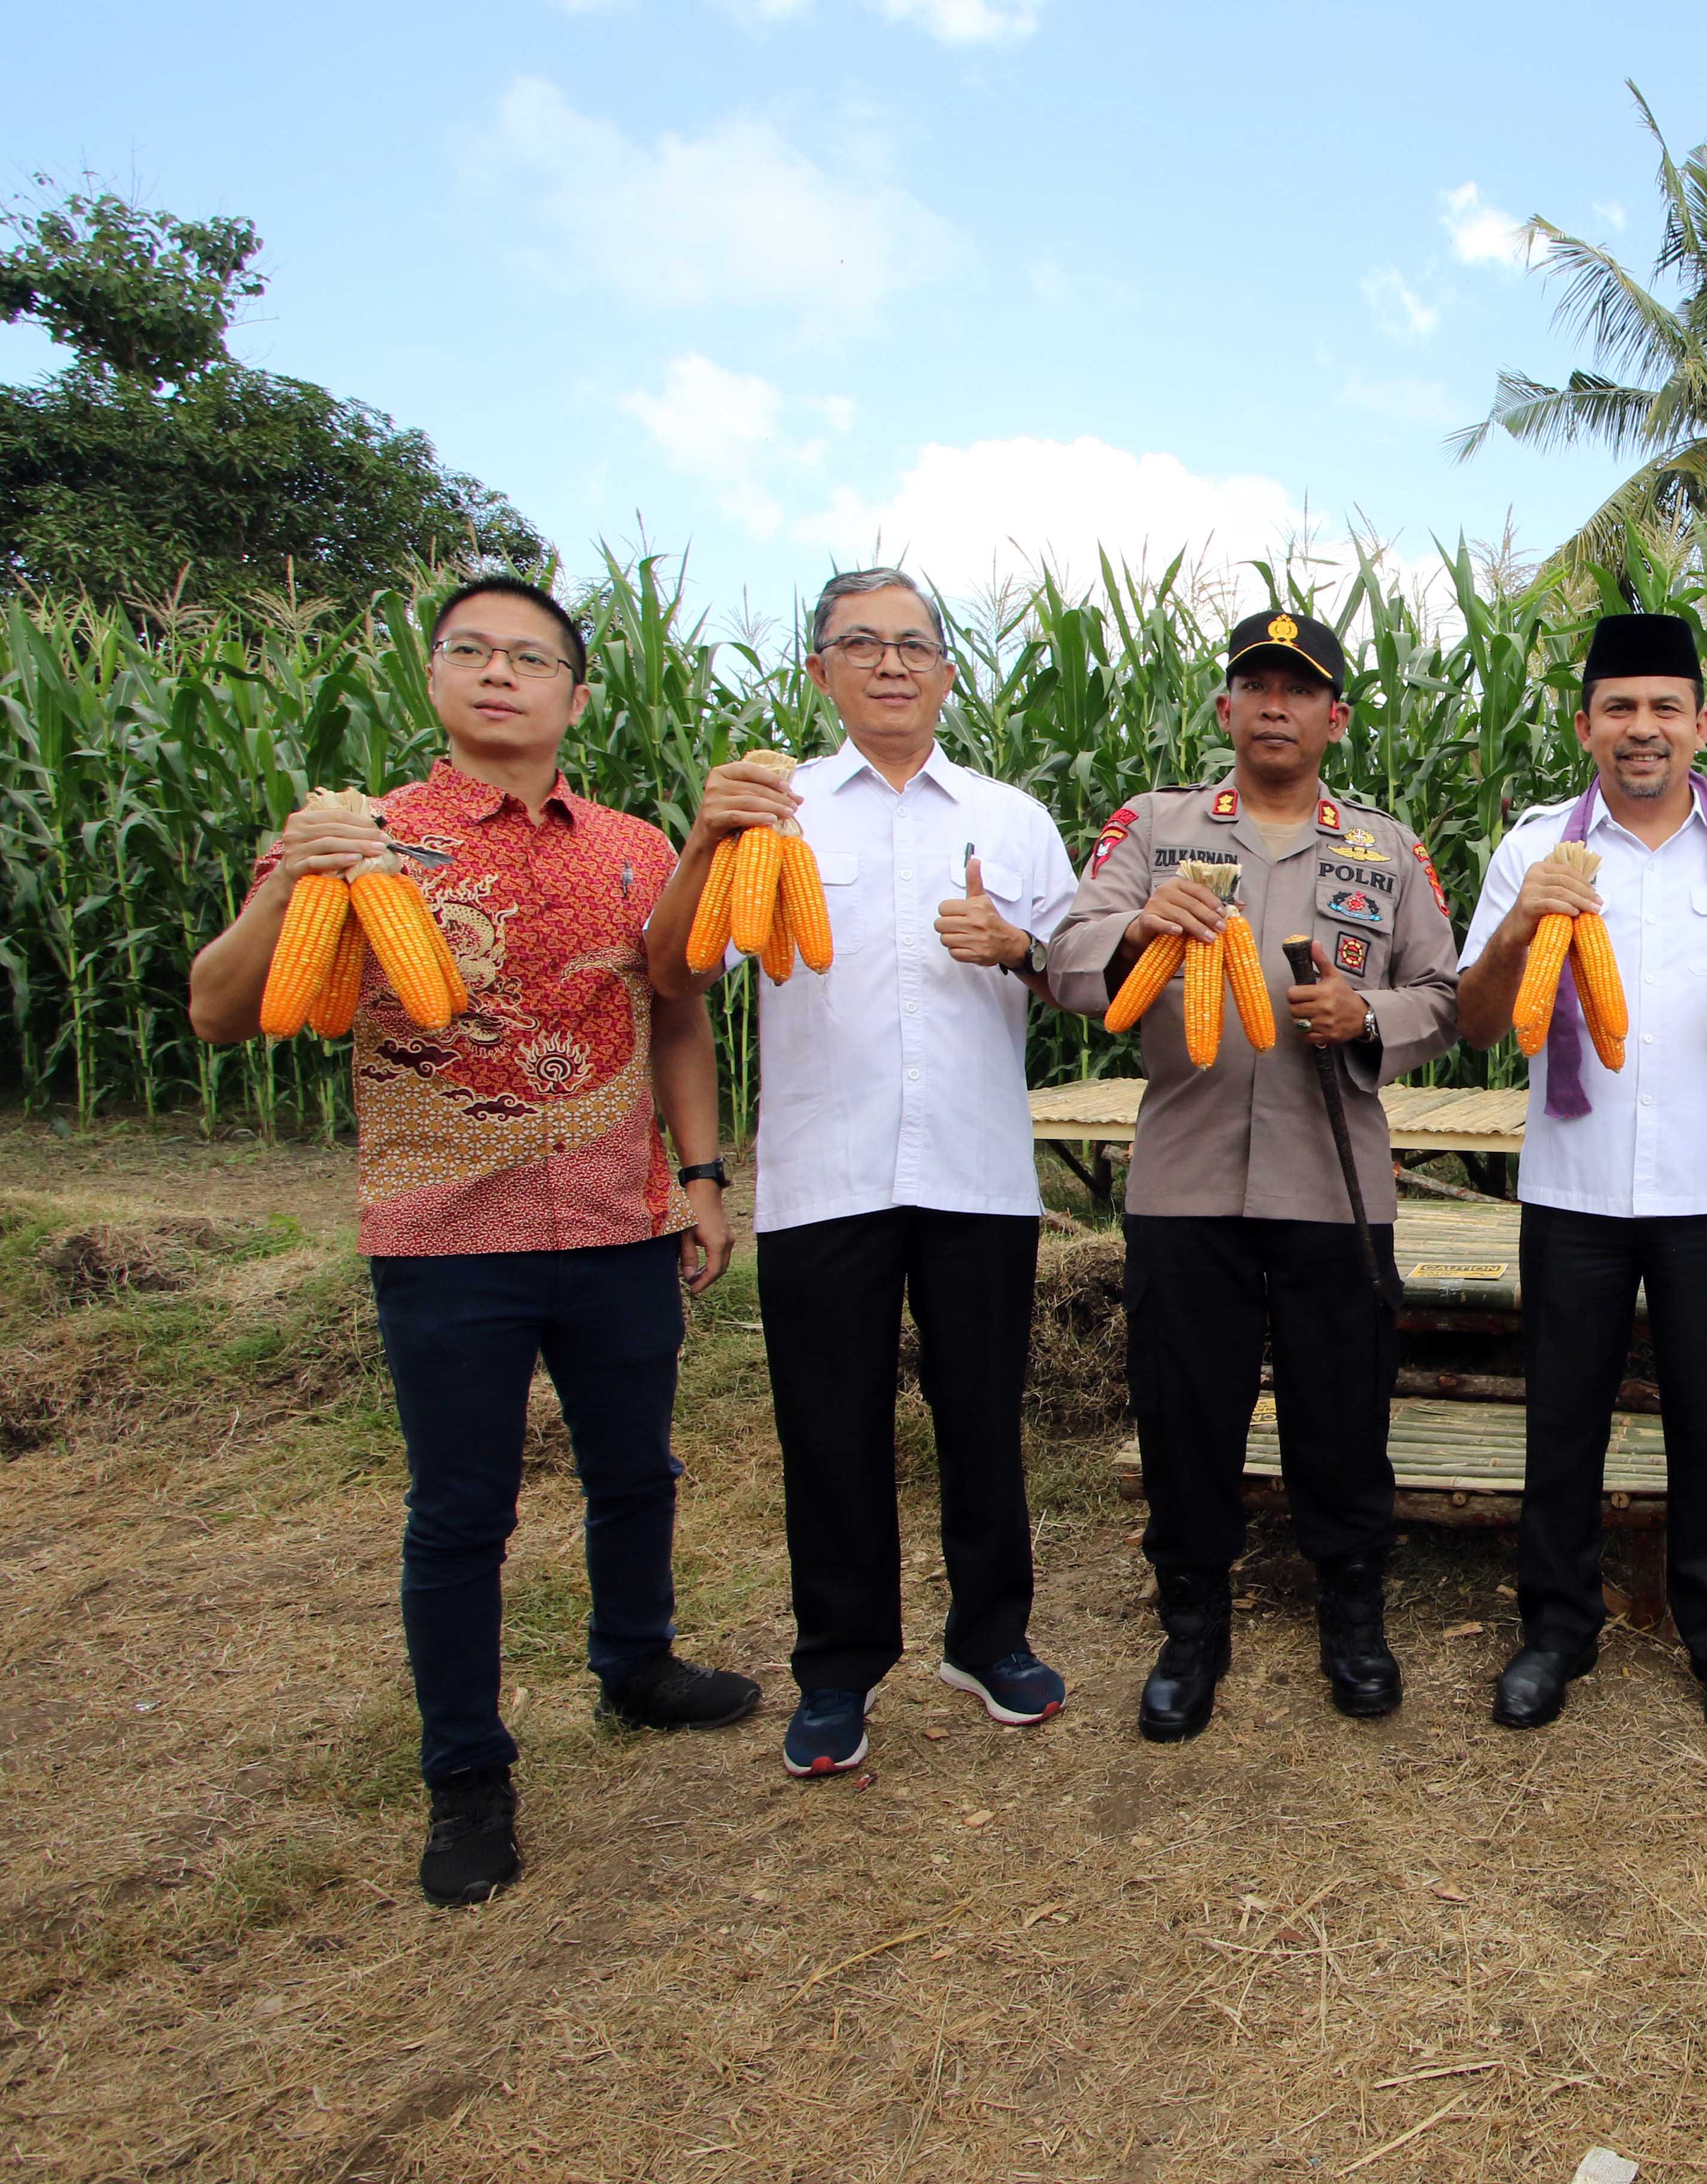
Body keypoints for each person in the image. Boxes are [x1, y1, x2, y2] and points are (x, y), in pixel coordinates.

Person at [186, 575, 754, 1909]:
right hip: (447, 1238)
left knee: (639, 1471)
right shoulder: (365, 839)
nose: (500, 676)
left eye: (531, 658)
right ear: (434, 680)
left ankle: (637, 1662)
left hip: (618, 1219)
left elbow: (676, 1013)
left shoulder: (629, 845)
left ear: (578, 694)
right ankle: (466, 1770)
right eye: (471, 654)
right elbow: (221, 1011)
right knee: (459, 1513)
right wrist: (298, 884)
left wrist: (706, 1176)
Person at [645, 567, 1082, 1778]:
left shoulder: (1011, 817)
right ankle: (838, 1671)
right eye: (861, 643)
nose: (892, 665)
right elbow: (678, 971)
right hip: (824, 1173)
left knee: (984, 1420)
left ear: (949, 671)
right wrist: (703, 839)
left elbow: (1087, 981)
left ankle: (992, 1642)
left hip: (978, 1174)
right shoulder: (776, 815)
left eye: (915, 646)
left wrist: (1023, 946)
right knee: (830, 1432)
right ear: (818, 671)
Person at [1043, 608, 1461, 1742]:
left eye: (1301, 688)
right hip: (1186, 1176)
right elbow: (1065, 959)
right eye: (1256, 686)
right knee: (1188, 1413)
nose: (1277, 705)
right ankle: (1192, 1626)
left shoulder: (1383, 847)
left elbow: (1446, 995)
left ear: (1334, 717)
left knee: (1342, 1412)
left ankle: (1353, 1613)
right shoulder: (1156, 828)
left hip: (1334, 1179)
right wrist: (1137, 932)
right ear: (1226, 710)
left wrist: (1365, 1011)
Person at [1453, 612, 1707, 1745]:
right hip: (1573, 1184)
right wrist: (1523, 924)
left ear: (1703, 723)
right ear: (1585, 727)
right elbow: (1477, 1021)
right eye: (1619, 707)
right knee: (1560, 1422)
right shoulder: (1534, 848)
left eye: (1667, 706)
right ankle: (1556, 1631)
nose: (1643, 728)